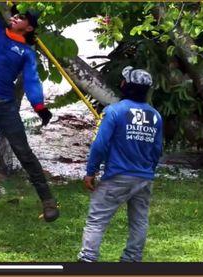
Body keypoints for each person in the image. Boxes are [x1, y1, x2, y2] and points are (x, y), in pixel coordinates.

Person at [0, 5, 59, 222]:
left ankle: (48, 201)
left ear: (29, 28)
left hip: (4, 108)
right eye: (17, 14)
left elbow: (32, 81)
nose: (17, 17)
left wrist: (40, 107)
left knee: (23, 152)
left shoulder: (27, 52)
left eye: (23, 18)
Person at [77, 66, 163, 262]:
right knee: (139, 221)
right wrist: (149, 170)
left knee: (97, 219)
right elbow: (157, 149)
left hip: (117, 176)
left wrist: (91, 172)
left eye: (123, 80)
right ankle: (132, 259)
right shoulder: (156, 116)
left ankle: (88, 258)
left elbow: (99, 145)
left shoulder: (114, 111)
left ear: (126, 86)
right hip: (144, 178)